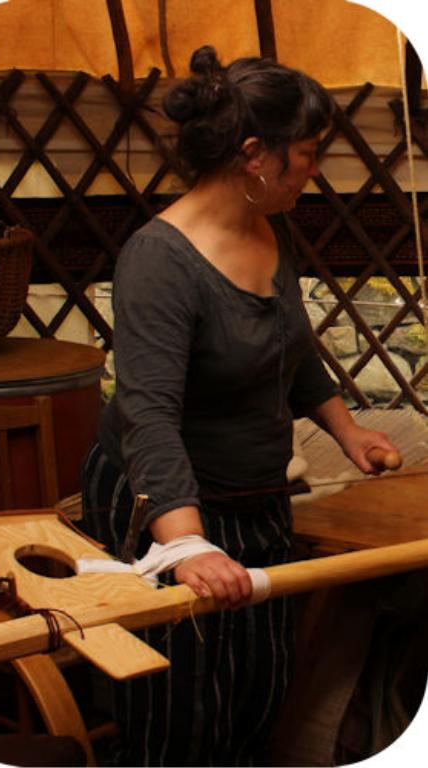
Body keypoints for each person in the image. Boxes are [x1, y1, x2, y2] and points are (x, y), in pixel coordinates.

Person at [81, 45, 398, 767]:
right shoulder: (159, 261)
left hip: (256, 495)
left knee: (259, 690)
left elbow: (292, 348)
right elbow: (148, 414)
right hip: (166, 500)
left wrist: (347, 430)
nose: (315, 170)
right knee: (181, 710)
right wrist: (186, 544)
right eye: (307, 153)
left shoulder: (267, 225)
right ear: (256, 155)